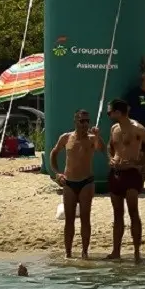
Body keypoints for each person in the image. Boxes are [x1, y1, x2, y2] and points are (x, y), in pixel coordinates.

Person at [105, 99, 145, 262]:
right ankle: (116, 251)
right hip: (116, 173)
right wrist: (111, 158)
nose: (109, 115)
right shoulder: (114, 128)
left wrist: (141, 163)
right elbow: (109, 146)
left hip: (131, 174)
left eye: (110, 112)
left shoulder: (137, 128)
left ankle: (136, 252)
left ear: (118, 112)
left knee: (133, 211)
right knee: (117, 213)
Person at [49, 109, 105, 259]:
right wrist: (57, 172)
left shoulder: (92, 138)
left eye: (87, 121)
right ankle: (68, 253)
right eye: (82, 121)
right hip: (69, 182)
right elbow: (54, 153)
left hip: (86, 182)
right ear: (75, 121)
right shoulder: (66, 138)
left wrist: (98, 136)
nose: (85, 124)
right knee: (69, 219)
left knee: (85, 218)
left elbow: (101, 149)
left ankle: (85, 252)